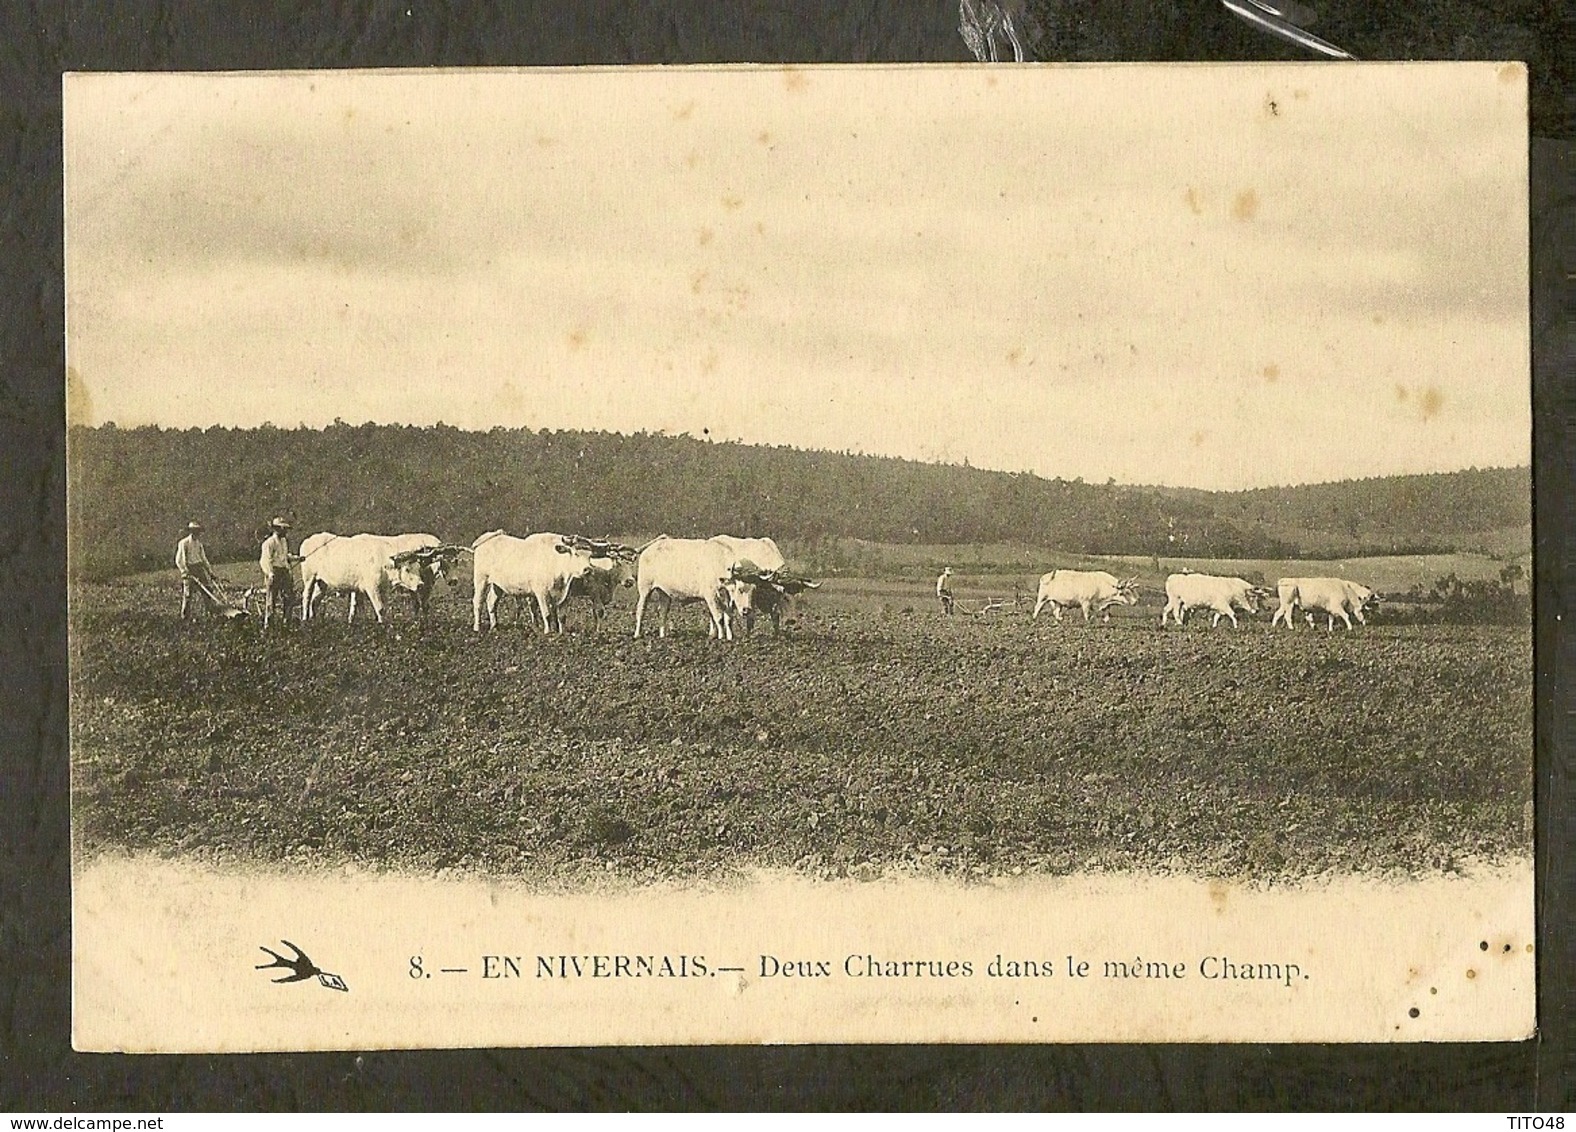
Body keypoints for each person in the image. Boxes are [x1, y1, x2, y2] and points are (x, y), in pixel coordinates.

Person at [259, 517, 302, 629]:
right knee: (271, 600)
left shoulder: (283, 541)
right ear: (277, 529)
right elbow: (265, 560)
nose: (286, 531)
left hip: (284, 572)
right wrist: (270, 574)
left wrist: (297, 558)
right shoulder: (269, 543)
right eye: (284, 529)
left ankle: (286, 624)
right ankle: (269, 626)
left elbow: (285, 556)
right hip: (274, 573)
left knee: (289, 598)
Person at [175, 521, 218, 620]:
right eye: (195, 531)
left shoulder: (199, 544)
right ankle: (185, 617)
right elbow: (179, 560)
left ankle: (210, 614)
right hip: (188, 569)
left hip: (199, 568)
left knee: (207, 591)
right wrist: (185, 571)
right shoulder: (183, 543)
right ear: (191, 532)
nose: (197, 534)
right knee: (188, 594)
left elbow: (204, 559)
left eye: (198, 531)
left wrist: (210, 573)